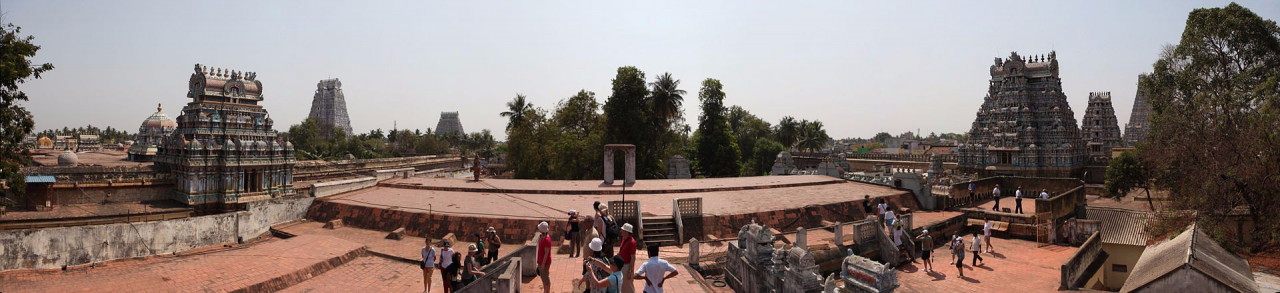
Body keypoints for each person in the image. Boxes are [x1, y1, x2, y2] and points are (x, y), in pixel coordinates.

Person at [618, 223, 638, 293]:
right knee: (623, 287)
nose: (621, 231)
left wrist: (630, 271)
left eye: (622, 230)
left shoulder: (632, 242)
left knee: (629, 288)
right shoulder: (624, 238)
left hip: (626, 266)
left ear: (626, 232)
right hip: (622, 265)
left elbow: (633, 257)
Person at [536, 221, 553, 293]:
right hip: (541, 261)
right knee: (543, 277)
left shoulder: (546, 240)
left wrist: (543, 264)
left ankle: (547, 291)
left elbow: (546, 253)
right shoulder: (542, 237)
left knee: (546, 278)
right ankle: (545, 290)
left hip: (544, 262)